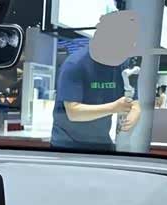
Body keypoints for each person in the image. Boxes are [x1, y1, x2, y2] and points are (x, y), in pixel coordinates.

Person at [51, 11, 141, 152]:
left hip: (102, 143)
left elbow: (135, 102)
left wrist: (134, 113)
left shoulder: (123, 65)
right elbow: (73, 112)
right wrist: (114, 107)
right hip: (68, 146)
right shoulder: (75, 64)